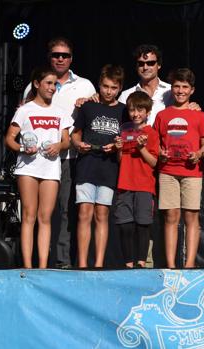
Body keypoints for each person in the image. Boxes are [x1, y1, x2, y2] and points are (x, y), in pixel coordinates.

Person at [24, 37, 96, 268]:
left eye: (65, 55)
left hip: (70, 158)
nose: (60, 59)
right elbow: (22, 124)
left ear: (71, 58)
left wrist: (91, 102)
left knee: (66, 212)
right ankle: (36, 262)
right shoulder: (32, 86)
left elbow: (97, 116)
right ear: (49, 57)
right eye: (56, 55)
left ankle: (63, 262)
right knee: (35, 214)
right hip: (37, 161)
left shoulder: (85, 85)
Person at [6, 66, 73, 269]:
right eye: (49, 83)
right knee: (29, 215)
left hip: (51, 169)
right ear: (37, 84)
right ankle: (27, 266)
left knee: (46, 218)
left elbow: (67, 141)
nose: (52, 88)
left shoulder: (60, 112)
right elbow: (9, 138)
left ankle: (43, 267)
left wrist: (58, 146)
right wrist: (22, 148)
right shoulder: (25, 110)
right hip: (27, 168)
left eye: (55, 84)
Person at [153, 68, 204, 268]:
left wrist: (199, 153)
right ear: (171, 89)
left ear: (192, 90)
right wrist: (160, 152)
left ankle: (190, 265)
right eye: (177, 86)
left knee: (191, 217)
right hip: (167, 172)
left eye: (185, 87)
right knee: (170, 217)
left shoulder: (199, 115)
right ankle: (171, 266)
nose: (180, 91)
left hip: (192, 173)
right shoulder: (162, 115)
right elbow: (155, 143)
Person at [71, 64, 125, 268]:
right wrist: (78, 144)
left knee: (102, 213)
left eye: (113, 87)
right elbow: (75, 133)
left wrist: (118, 146)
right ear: (99, 85)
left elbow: (126, 136)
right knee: (84, 212)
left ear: (119, 88)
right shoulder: (88, 107)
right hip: (87, 165)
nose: (108, 91)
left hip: (109, 167)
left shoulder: (123, 110)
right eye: (105, 86)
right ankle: (83, 263)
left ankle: (99, 263)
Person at [114, 91, 159, 268]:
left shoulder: (152, 133)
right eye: (133, 110)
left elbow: (154, 162)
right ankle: (128, 263)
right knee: (125, 225)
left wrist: (141, 148)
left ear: (147, 112)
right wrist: (119, 148)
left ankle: (141, 262)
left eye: (140, 110)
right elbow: (120, 160)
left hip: (144, 185)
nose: (136, 114)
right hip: (125, 183)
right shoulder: (125, 132)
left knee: (143, 224)